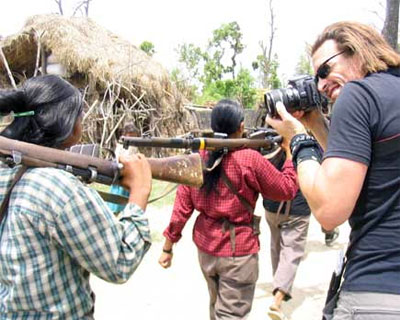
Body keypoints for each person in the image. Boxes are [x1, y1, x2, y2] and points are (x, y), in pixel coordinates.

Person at [266, 21, 400, 319]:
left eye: (325, 70)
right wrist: (315, 124)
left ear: (357, 51)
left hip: (377, 290)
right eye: (316, 81)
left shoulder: (359, 95)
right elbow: (362, 161)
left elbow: (330, 210)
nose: (322, 85)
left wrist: (298, 139)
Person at [0, 75, 152, 318]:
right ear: (68, 122)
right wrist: (140, 191)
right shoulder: (58, 188)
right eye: (80, 114)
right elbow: (120, 261)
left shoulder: (6, 171)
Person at [158, 99, 299, 320]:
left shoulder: (196, 159)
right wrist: (290, 155)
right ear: (241, 126)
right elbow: (287, 189)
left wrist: (168, 248)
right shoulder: (249, 160)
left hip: (206, 250)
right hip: (238, 254)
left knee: (216, 310)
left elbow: (181, 209)